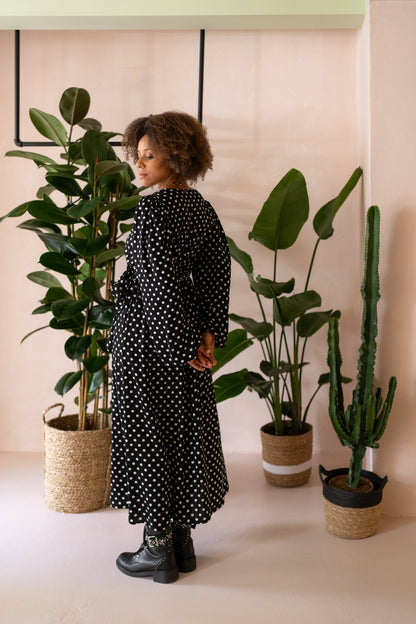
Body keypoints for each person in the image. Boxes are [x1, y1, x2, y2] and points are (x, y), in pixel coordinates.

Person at [107, 111, 231, 584]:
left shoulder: (154, 211)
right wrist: (206, 338)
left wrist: (180, 345)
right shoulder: (201, 209)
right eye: (136, 156)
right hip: (184, 343)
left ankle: (157, 551)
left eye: (149, 155)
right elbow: (216, 276)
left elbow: (158, 288)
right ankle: (182, 542)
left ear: (176, 156)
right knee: (181, 434)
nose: (139, 165)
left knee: (150, 437)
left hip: (148, 343)